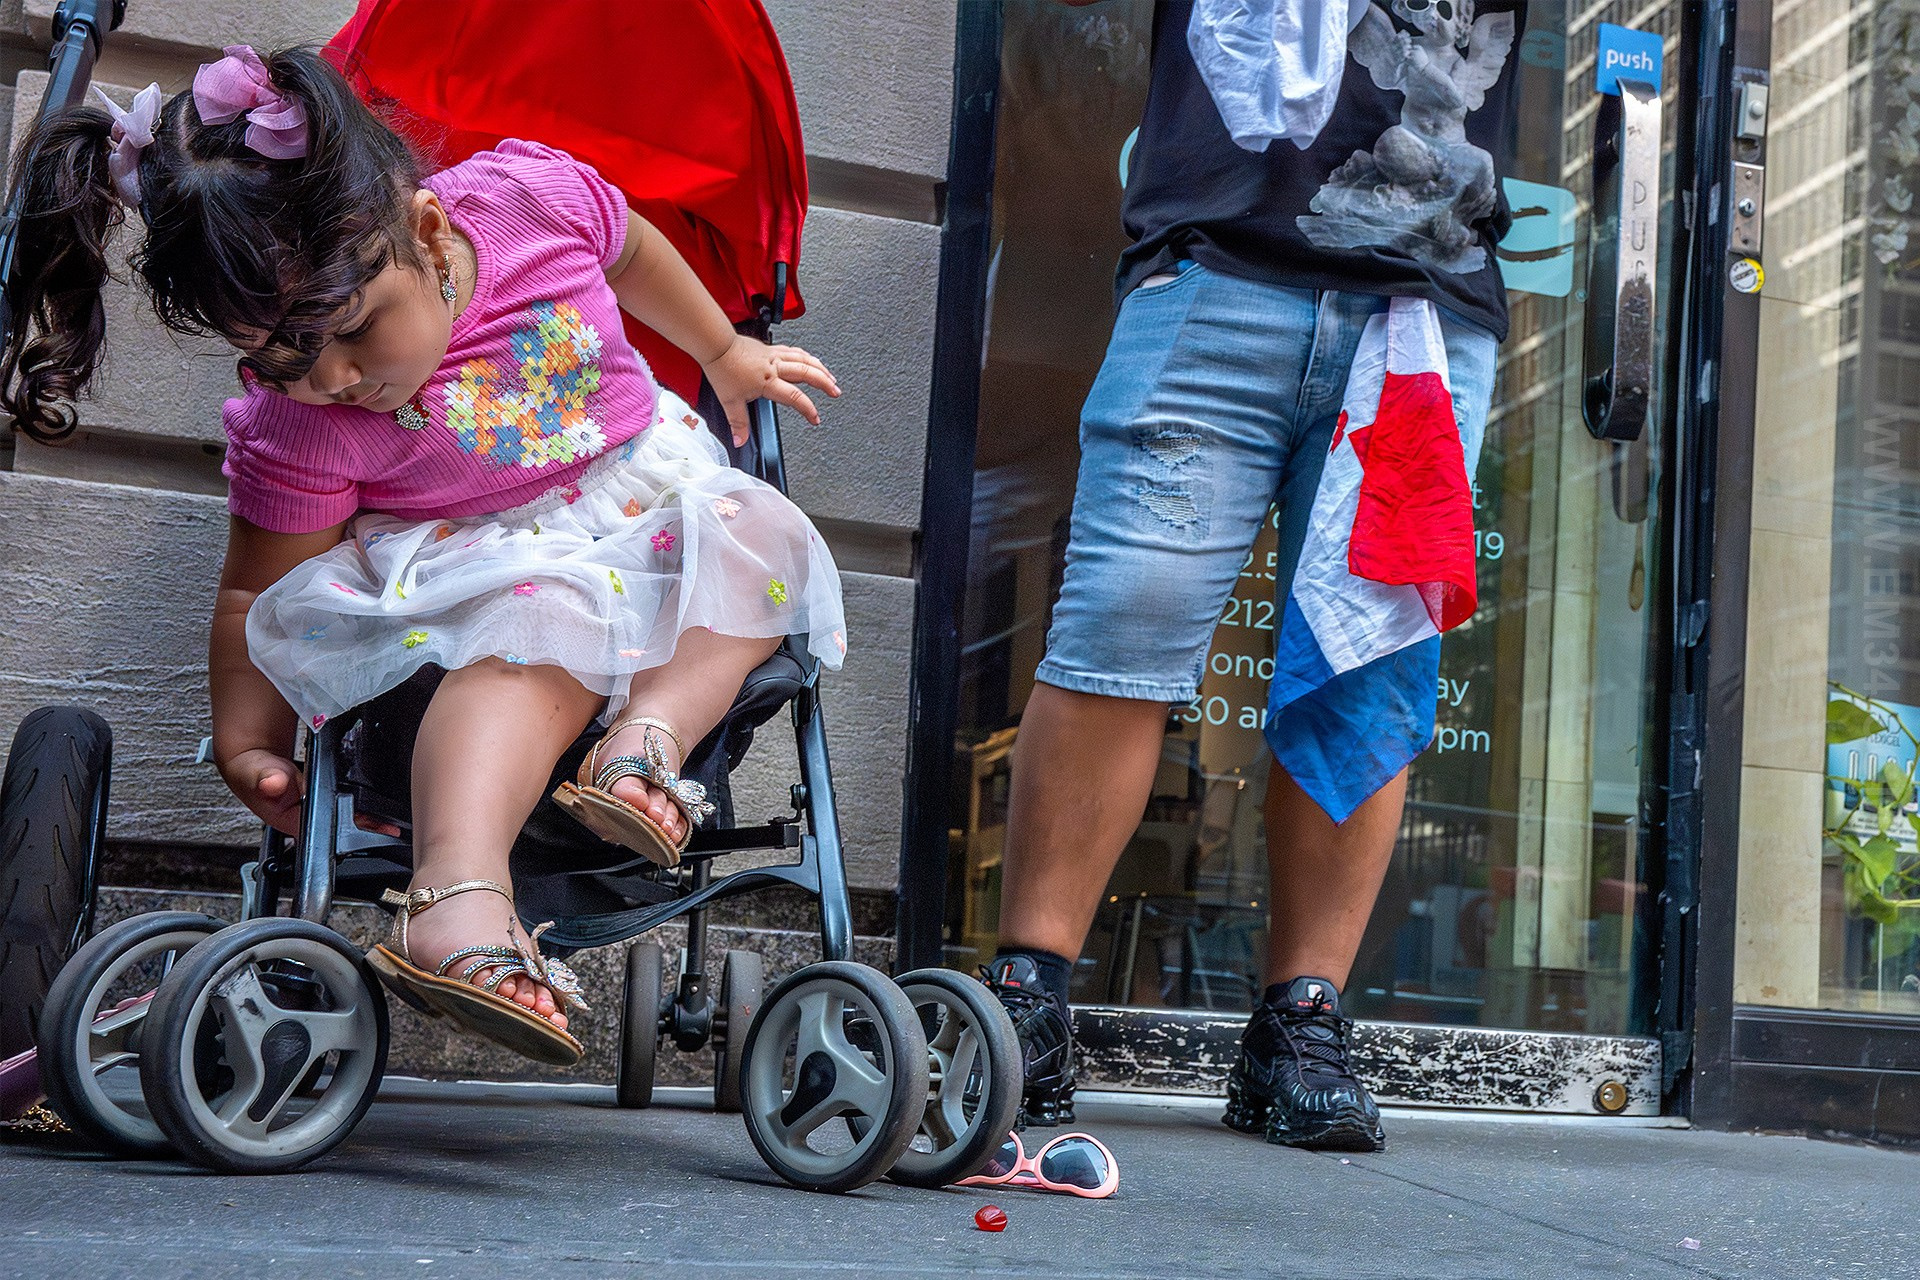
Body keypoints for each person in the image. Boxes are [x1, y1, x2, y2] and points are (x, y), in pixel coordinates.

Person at [0, 45, 845, 1068]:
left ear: (431, 233)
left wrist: (724, 353)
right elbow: (254, 590)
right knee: (547, 611)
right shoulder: (299, 428)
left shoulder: (525, 202)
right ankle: (457, 889)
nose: (332, 378)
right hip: (485, 574)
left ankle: (647, 745)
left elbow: (628, 247)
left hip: (640, 498)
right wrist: (247, 739)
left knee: (764, 536)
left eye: (352, 331)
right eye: (280, 357)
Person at [981, 0, 1522, 1150]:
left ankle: (1300, 1022)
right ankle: (1025, 999)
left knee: (1368, 663)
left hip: (1424, 306)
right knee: (1124, 621)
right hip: (1220, 258)